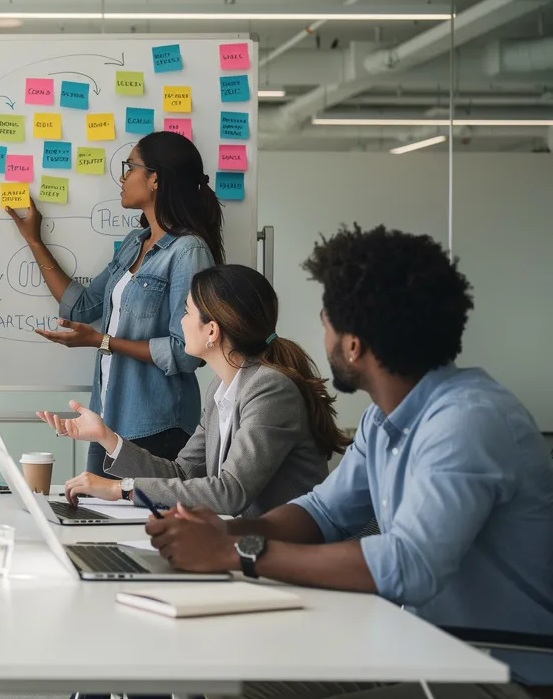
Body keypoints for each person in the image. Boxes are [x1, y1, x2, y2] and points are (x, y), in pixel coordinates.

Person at [146, 225, 553, 695]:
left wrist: (237, 553)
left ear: (353, 345)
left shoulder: (467, 422)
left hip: (500, 672)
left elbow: (409, 565)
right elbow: (324, 512)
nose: (321, 332)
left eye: (325, 320)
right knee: (221, 669)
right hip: (430, 650)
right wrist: (226, 531)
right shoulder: (386, 419)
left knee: (238, 683)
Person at [39, 264, 346, 518]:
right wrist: (106, 437)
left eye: (186, 313)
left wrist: (121, 488)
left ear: (212, 331)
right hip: (241, 544)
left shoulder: (270, 389)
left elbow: (230, 493)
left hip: (284, 554)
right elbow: (182, 473)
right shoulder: (222, 387)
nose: (181, 323)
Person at [9, 130, 224, 470]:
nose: (122, 178)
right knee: (97, 517)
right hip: (109, 419)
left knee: (135, 523)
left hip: (157, 426)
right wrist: (33, 240)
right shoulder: (135, 242)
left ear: (155, 179)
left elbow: (185, 353)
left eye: (130, 167)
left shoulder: (188, 251)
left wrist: (102, 341)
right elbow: (81, 307)